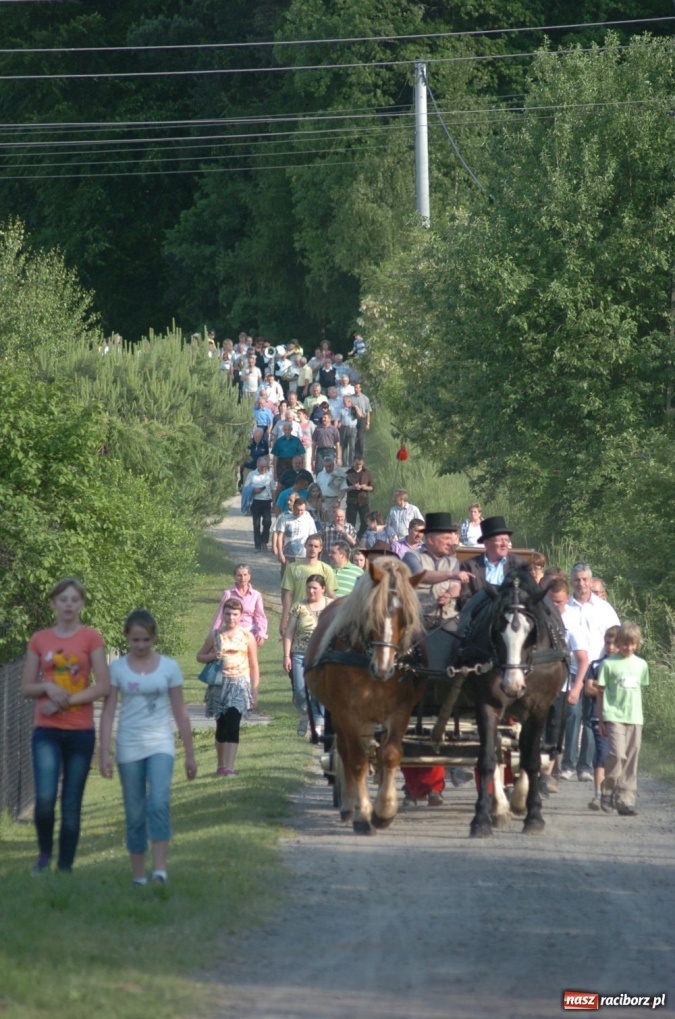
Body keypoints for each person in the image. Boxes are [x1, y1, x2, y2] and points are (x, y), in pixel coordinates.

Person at [99, 610, 197, 886]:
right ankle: (139, 874)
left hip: (160, 744)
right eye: (135, 640)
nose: (140, 645)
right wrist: (104, 751)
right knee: (135, 809)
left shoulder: (169, 668)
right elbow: (107, 713)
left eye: (145, 639)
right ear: (127, 639)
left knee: (158, 803)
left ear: (153, 638)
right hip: (129, 745)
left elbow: (180, 712)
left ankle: (160, 870)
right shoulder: (117, 668)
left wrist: (190, 754)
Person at [21, 577, 110, 875]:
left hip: (80, 732)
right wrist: (48, 687)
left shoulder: (91, 638)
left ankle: (65, 868)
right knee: (45, 799)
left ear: (81, 604)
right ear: (53, 604)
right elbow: (26, 687)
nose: (69, 605)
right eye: (63, 599)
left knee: (71, 803)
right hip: (45, 731)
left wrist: (66, 700)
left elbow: (102, 687)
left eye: (74, 600)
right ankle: (44, 854)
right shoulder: (40, 640)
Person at [401, 514, 471, 806]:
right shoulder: (413, 558)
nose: (451, 542)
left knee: (465, 645)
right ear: (430, 539)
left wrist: (453, 591)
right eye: (446, 538)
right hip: (417, 623)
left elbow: (457, 587)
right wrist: (452, 579)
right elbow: (423, 578)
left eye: (452, 538)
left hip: (446, 623)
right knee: (400, 648)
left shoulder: (452, 561)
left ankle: (463, 690)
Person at [561, 562, 620, 782]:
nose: (582, 583)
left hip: (598, 670)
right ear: (572, 581)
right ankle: (567, 764)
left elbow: (617, 635)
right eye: (577, 579)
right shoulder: (566, 608)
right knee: (572, 715)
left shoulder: (604, 609)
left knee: (591, 718)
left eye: (585, 579)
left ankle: (584, 766)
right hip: (573, 669)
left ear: (590, 579)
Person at [197, 598, 260, 777]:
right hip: (219, 684)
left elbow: (254, 665)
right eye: (227, 614)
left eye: (235, 614)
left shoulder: (248, 637)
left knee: (233, 723)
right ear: (223, 615)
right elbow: (199, 656)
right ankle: (221, 765)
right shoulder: (215, 634)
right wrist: (212, 656)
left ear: (241, 616)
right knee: (222, 725)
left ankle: (230, 767)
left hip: (240, 683)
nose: (231, 618)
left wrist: (254, 692)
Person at [597, 621, 649, 816]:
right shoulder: (608, 664)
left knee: (631, 759)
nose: (628, 648)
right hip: (614, 716)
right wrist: (601, 719)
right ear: (617, 643)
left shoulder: (641, 665)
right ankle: (608, 788)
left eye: (632, 644)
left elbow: (638, 690)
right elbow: (600, 693)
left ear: (637, 644)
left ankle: (625, 800)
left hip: (635, 716)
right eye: (625, 644)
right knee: (617, 755)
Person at [283, 575, 329, 737]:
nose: (311, 591)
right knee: (301, 690)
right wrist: (286, 655)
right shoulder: (298, 606)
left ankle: (319, 724)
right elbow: (289, 632)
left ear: (323, 589)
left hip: (323, 656)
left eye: (314, 588)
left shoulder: (331, 605)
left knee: (320, 691)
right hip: (300, 654)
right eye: (308, 587)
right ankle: (304, 714)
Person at [584, 625, 619, 810]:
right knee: (602, 755)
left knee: (619, 756)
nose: (611, 647)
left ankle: (614, 793)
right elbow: (588, 689)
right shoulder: (597, 665)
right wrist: (607, 687)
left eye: (615, 644)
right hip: (599, 716)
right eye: (608, 643)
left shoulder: (626, 666)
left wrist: (601, 686)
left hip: (621, 717)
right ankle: (598, 794)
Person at [280, 535, 337, 635]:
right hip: (298, 615)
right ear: (305, 546)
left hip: (319, 616)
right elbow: (288, 595)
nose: (313, 549)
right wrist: (284, 620)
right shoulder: (293, 568)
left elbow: (331, 595)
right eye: (310, 545)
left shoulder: (326, 569)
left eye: (316, 546)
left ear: (321, 548)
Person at [211, 564, 268, 646]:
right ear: (235, 577)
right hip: (232, 632)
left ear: (249, 576)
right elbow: (220, 616)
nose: (242, 578)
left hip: (250, 633)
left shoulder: (256, 595)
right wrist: (214, 635)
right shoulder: (228, 594)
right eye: (239, 575)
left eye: (245, 575)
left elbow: (260, 616)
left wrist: (261, 634)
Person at [278, 497, 317, 568]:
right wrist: (280, 553)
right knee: (286, 576)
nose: (299, 512)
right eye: (297, 510)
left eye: (302, 510)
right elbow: (280, 537)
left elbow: (313, 537)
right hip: (288, 555)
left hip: (304, 555)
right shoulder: (285, 518)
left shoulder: (309, 520)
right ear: (293, 507)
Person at [246, 456, 274, 552]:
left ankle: (264, 540)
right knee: (256, 524)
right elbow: (245, 488)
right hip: (255, 501)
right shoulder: (252, 474)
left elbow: (273, 488)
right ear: (257, 465)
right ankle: (257, 545)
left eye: (265, 467)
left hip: (266, 501)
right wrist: (254, 490)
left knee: (267, 521)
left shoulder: (270, 475)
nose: (263, 469)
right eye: (261, 466)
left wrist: (274, 502)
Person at [345, 455, 374, 537]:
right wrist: (353, 487)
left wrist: (365, 487)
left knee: (365, 521)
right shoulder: (348, 473)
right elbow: (343, 488)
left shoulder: (367, 472)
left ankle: (360, 536)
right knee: (351, 522)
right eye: (357, 464)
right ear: (353, 462)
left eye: (360, 464)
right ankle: (352, 537)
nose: (358, 466)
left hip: (363, 501)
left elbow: (372, 487)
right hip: (352, 501)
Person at [351, 381, 372, 458]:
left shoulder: (365, 398)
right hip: (353, 419)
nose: (355, 389)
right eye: (354, 388)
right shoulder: (351, 398)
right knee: (353, 437)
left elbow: (368, 412)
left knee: (360, 437)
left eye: (357, 388)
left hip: (362, 419)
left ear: (360, 388)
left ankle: (360, 455)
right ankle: (354, 455)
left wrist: (368, 423)